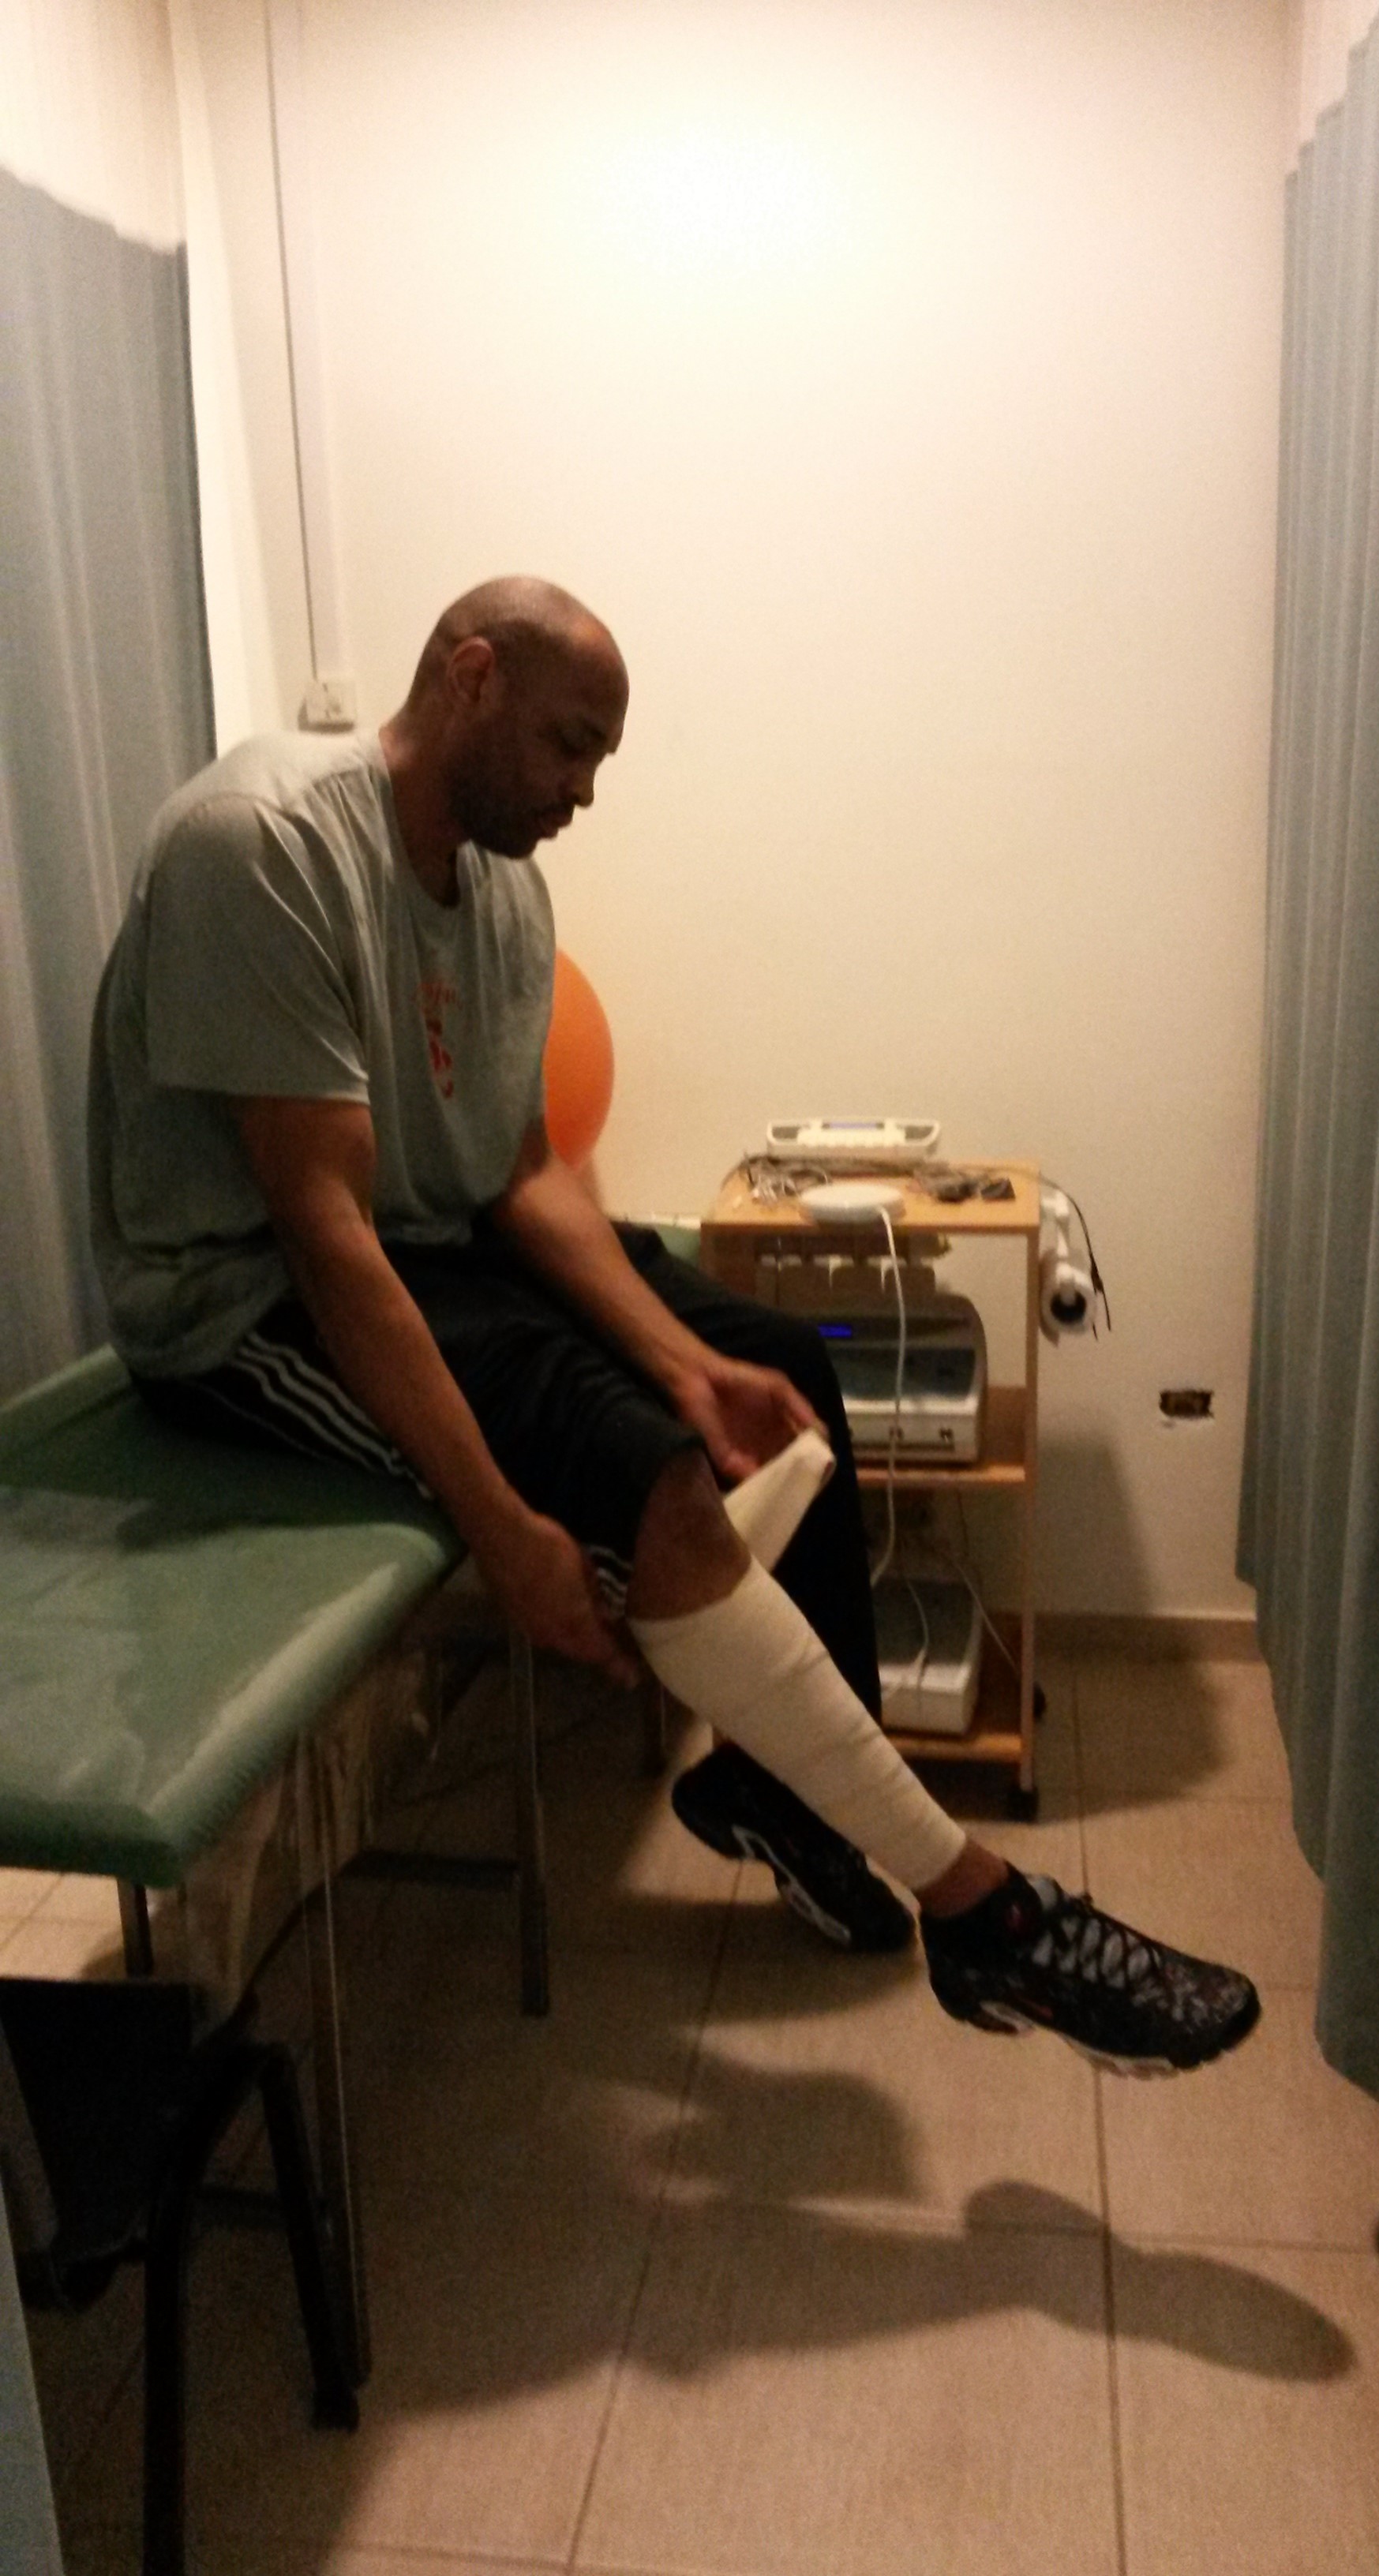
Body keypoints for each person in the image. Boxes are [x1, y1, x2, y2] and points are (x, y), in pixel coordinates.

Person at [89, 575, 1259, 2076]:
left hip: (427, 1241)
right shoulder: (263, 845)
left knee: (783, 1364)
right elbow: (325, 1236)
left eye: (601, 759)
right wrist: (506, 1529)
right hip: (242, 1299)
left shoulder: (505, 892)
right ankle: (981, 1908)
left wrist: (693, 1363)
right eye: (569, 745)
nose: (584, 792)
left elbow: (523, 1179)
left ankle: (780, 1787)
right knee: (641, 1470)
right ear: (471, 676)